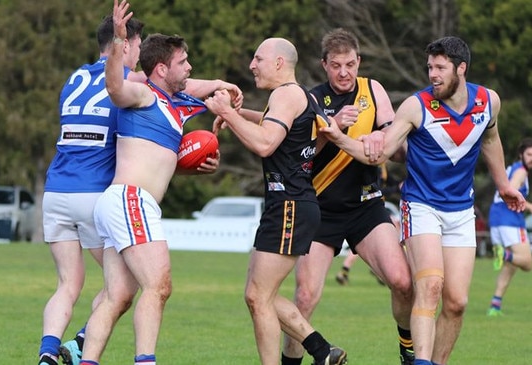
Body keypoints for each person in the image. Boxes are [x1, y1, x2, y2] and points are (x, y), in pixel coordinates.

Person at [318, 36, 526, 365]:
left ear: (461, 69)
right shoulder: (417, 106)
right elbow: (381, 153)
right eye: (430, 67)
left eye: (440, 68)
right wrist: (342, 139)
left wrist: (503, 185)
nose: (432, 74)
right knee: (429, 286)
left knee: (456, 302)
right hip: (421, 206)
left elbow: (491, 137)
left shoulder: (488, 102)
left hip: (461, 211)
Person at [78, 1, 242, 365]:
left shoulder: (177, 102)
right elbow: (116, 88)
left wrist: (219, 87)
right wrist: (120, 41)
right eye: (184, 62)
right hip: (130, 200)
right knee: (159, 286)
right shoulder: (143, 94)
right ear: (163, 68)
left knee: (116, 297)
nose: (190, 68)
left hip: (125, 202)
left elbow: (194, 94)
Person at [205, 37, 347, 365]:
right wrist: (237, 117)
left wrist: (227, 111)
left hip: (290, 205)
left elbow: (267, 143)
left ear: (280, 64)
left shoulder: (286, 94)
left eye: (258, 59)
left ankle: (318, 350)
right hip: (288, 205)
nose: (252, 65)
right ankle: (322, 350)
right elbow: (284, 134)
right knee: (257, 296)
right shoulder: (300, 97)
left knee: (259, 297)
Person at [281, 28, 413, 365]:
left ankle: (408, 350)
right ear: (324, 65)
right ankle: (291, 362)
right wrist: (332, 128)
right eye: (336, 65)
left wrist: (382, 140)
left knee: (402, 282)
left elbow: (394, 142)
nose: (344, 72)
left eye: (350, 64)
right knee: (306, 296)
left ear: (359, 62)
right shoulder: (308, 99)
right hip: (320, 209)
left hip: (366, 207)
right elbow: (300, 156)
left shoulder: (373, 90)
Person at [38, 13, 145, 365]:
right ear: (124, 44)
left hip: (56, 191)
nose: (140, 54)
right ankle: (79, 345)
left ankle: (47, 355)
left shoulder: (74, 78)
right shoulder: (126, 81)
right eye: (139, 45)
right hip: (93, 195)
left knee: (68, 285)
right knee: (125, 286)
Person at [487, 137, 532, 316]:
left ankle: (495, 305)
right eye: (529, 154)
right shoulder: (521, 171)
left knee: (511, 265)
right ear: (521, 154)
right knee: (528, 263)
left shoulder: (513, 168)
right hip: (510, 220)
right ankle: (502, 253)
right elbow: (511, 191)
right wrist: (529, 206)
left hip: (497, 218)